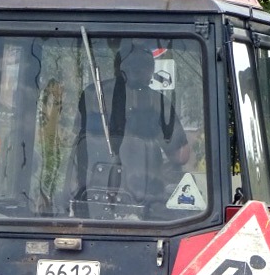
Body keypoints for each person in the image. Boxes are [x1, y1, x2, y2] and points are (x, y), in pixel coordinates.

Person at [74, 46, 189, 209]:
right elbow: (181, 156)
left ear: (117, 68)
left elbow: (75, 143)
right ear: (149, 71)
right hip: (145, 199)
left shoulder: (92, 94)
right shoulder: (157, 103)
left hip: (91, 196)